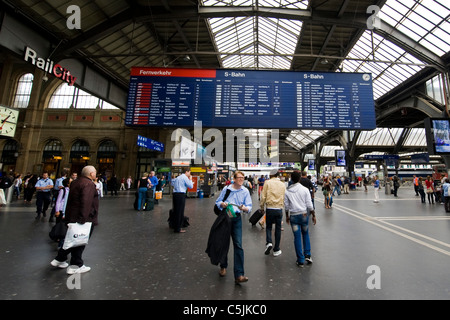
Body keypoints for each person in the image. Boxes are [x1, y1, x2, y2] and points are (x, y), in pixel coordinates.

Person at [50, 165, 99, 274]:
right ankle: (76, 265)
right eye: (95, 172)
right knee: (80, 240)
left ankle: (60, 259)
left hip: (72, 215)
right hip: (84, 217)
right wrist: (83, 219)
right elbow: (86, 202)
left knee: (72, 239)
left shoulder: (76, 182)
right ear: (91, 174)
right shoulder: (89, 184)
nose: (96, 174)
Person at [214, 171, 252, 284]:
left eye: (243, 178)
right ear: (234, 179)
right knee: (223, 243)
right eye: (239, 178)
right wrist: (222, 204)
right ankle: (223, 266)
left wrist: (244, 208)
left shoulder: (245, 191)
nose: (241, 179)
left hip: (236, 218)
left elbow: (249, 207)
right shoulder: (227, 189)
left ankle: (239, 274)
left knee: (238, 245)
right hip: (226, 218)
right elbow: (218, 202)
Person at [284, 171, 316, 267]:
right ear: (299, 179)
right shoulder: (305, 189)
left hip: (293, 216)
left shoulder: (287, 191)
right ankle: (308, 255)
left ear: (292, 179)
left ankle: (300, 260)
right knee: (305, 234)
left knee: (297, 237)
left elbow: (286, 206)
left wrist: (287, 216)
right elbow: (309, 205)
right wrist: (313, 215)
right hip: (304, 215)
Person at [260, 169, 286, 257]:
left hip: (270, 208)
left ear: (271, 175)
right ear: (278, 175)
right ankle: (276, 249)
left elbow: (263, 196)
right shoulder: (282, 184)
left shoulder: (267, 183)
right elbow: (284, 196)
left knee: (269, 227)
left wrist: (261, 207)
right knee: (278, 229)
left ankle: (269, 242)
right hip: (279, 209)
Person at [170, 168, 193, 233]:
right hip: (181, 195)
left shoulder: (178, 177)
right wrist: (190, 179)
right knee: (180, 211)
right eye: (189, 172)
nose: (190, 174)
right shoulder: (185, 177)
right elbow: (191, 186)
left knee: (176, 210)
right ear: (186, 172)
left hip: (175, 194)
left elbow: (173, 184)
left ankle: (175, 226)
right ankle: (178, 228)